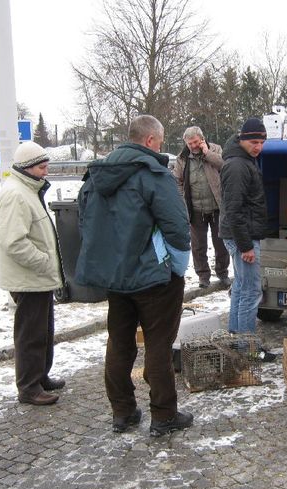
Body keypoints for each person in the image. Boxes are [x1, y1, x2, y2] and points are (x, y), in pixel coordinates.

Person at [75, 115, 194, 437]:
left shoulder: (95, 177)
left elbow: (85, 223)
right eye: (161, 139)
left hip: (116, 277)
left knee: (119, 343)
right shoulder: (153, 174)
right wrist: (177, 266)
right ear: (151, 141)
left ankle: (123, 413)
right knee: (158, 344)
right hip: (154, 277)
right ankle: (164, 416)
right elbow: (178, 228)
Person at [0, 141, 65, 406]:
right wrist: (44, 262)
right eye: (42, 167)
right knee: (30, 335)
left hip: (37, 277)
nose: (46, 172)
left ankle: (40, 376)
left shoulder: (27, 190)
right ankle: (29, 387)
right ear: (27, 168)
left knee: (43, 331)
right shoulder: (16, 194)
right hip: (29, 278)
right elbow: (14, 242)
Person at [218, 117, 276, 361]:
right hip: (243, 237)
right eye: (254, 141)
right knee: (251, 291)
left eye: (262, 142)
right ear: (241, 139)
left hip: (241, 234)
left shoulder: (243, 160)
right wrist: (245, 246)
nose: (258, 147)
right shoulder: (238, 166)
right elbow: (234, 208)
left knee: (241, 288)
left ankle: (237, 340)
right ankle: (248, 347)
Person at [173, 126, 230, 288]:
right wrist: (182, 201)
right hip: (195, 208)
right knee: (198, 246)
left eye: (196, 142)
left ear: (202, 139)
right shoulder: (182, 158)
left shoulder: (215, 149)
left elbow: (224, 166)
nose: (193, 146)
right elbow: (177, 180)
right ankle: (203, 276)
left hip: (217, 207)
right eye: (189, 143)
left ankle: (222, 273)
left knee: (220, 244)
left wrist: (207, 153)